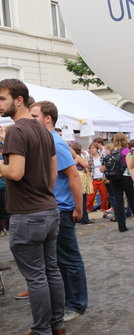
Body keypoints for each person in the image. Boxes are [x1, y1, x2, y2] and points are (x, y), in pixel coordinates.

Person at [0, 78, 65, 335]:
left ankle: (41, 331)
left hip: (28, 214)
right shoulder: (43, 130)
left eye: (2, 99)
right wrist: (43, 194)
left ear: (18, 100)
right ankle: (57, 324)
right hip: (48, 209)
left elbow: (15, 172)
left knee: (37, 275)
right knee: (51, 270)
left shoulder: (17, 131)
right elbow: (51, 174)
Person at [30, 100, 88, 322]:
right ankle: (65, 301)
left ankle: (76, 304)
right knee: (57, 260)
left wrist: (78, 207)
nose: (31, 120)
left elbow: (73, 175)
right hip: (51, 208)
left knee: (69, 259)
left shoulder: (56, 142)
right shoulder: (45, 141)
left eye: (34, 116)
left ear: (47, 118)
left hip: (62, 209)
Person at [105, 132, 134, 233]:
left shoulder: (112, 151)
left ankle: (121, 226)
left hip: (114, 178)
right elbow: (130, 167)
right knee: (131, 200)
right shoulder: (125, 150)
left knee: (118, 202)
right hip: (125, 178)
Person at [86, 142, 109, 213]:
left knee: (104, 197)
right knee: (90, 197)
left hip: (102, 179)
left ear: (97, 149)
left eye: (93, 148)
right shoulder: (88, 158)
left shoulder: (102, 156)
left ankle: (104, 210)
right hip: (93, 179)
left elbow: (106, 167)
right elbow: (88, 169)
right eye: (90, 148)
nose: (91, 149)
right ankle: (88, 210)